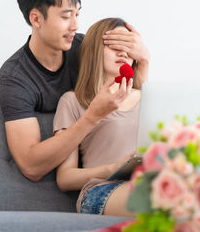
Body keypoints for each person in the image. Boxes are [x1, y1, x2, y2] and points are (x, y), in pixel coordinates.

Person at [0, 0, 149, 182]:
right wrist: (93, 116)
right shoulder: (15, 77)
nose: (75, 25)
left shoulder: (85, 48)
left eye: (77, 14)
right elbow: (31, 166)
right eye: (66, 16)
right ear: (36, 19)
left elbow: (137, 105)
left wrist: (143, 60)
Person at [54, 18, 140, 217]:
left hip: (148, 181)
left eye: (128, 46)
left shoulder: (149, 98)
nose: (123, 52)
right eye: (113, 46)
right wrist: (114, 167)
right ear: (93, 51)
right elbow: (65, 178)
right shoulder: (73, 101)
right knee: (163, 196)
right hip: (102, 191)